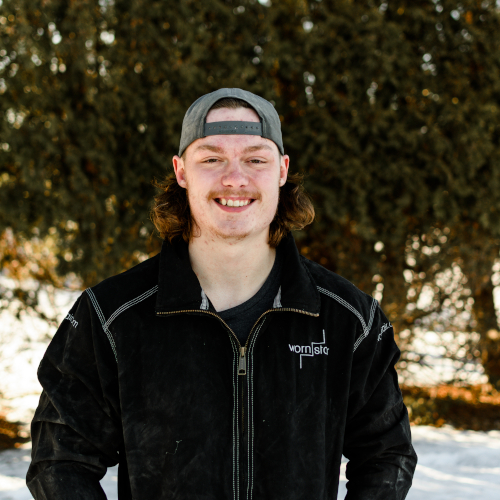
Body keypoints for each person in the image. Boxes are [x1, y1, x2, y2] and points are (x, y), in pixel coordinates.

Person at [27, 88, 417, 499]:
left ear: (282, 171)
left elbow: (386, 455)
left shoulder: (348, 319)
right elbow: (59, 461)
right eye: (212, 159)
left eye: (255, 159)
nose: (235, 178)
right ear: (181, 172)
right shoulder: (111, 317)